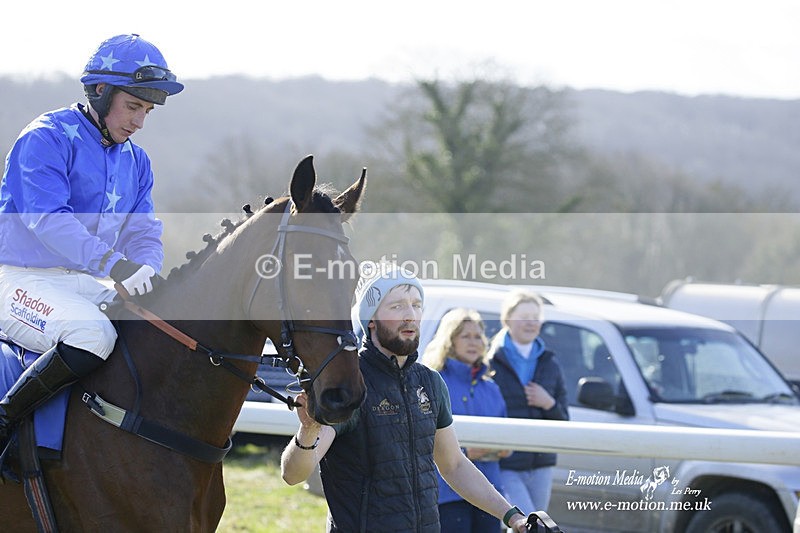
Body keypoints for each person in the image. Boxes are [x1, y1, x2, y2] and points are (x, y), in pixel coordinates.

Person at [0, 34, 183, 452]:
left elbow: (143, 232)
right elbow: (49, 221)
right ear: (100, 91)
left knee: (156, 332)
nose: (139, 122)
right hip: (20, 280)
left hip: (83, 283)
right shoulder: (45, 137)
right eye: (132, 106)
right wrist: (117, 267)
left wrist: (147, 273)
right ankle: (4, 420)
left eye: (147, 111)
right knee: (92, 335)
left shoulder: (137, 161)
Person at [280, 265, 529, 532]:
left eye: (416, 305)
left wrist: (513, 517)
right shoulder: (350, 383)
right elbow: (293, 474)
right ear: (371, 319)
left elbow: (454, 465)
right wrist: (308, 430)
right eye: (397, 306)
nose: (410, 315)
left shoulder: (430, 382)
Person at [422, 307, 513, 533]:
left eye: (478, 336)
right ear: (450, 341)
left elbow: (507, 444)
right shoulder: (434, 381)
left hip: (490, 494)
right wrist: (463, 452)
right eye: (466, 336)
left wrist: (494, 449)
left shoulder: (492, 388)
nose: (474, 342)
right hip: (447, 495)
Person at [489, 290, 569, 515]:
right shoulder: (490, 361)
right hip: (506, 464)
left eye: (535, 317)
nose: (531, 323)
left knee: (535, 523)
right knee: (525, 523)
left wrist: (548, 403)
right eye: (524, 317)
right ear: (507, 319)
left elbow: (564, 420)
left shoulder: (550, 363)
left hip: (541, 463)